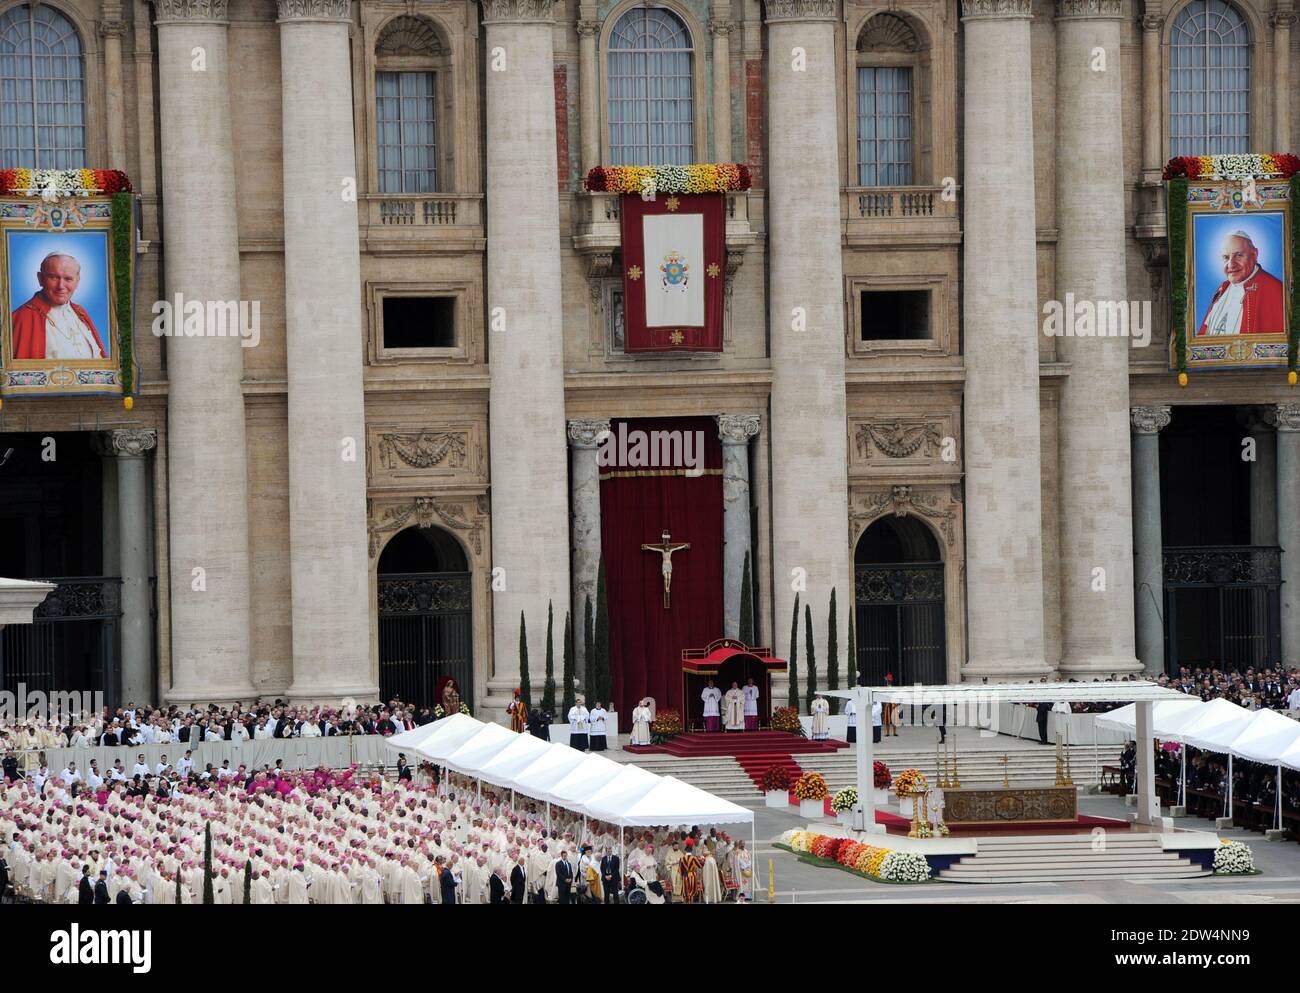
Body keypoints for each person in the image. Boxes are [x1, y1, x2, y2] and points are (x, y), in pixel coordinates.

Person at [11, 252, 109, 360]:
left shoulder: (80, 312)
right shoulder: (22, 318)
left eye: (68, 279)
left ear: (77, 282)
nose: (61, 286)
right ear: (40, 279)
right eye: (53, 277)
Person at [1197, 231, 1286, 336]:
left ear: (1254, 255)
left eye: (1238, 255)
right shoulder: (1223, 288)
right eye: (1226, 257)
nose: (1231, 264)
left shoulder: (1275, 289)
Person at [679, 839, 704, 903]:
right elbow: (700, 865)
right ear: (691, 850)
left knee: (686, 891)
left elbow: (680, 870)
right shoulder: (693, 858)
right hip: (692, 875)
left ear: (685, 850)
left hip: (685, 876)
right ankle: (691, 902)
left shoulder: (681, 858)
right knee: (691, 891)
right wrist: (703, 859)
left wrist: (682, 876)